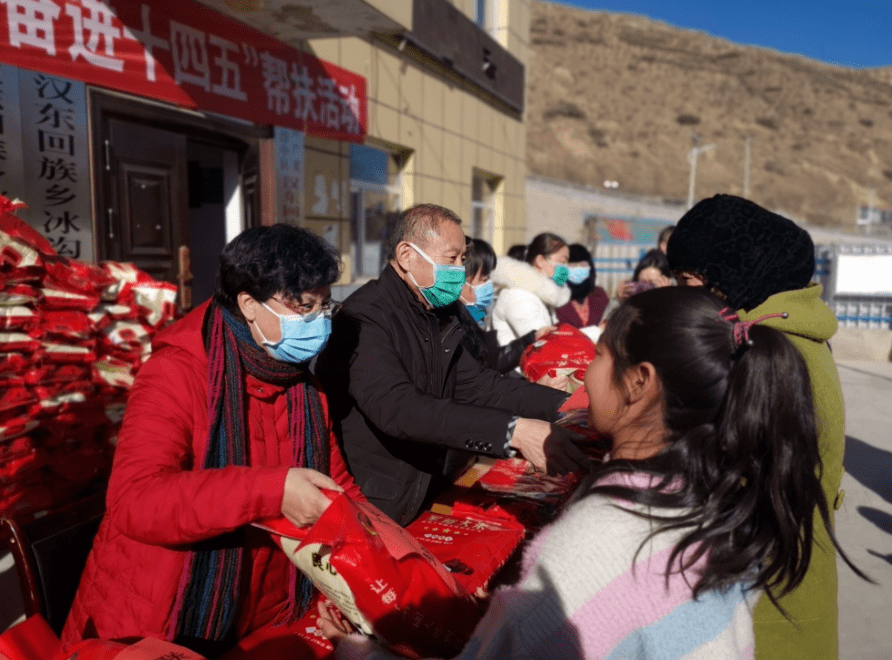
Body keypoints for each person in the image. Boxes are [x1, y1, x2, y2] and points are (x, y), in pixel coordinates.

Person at [318, 286, 865, 660]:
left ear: (639, 382)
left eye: (599, 356)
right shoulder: (716, 495)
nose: (584, 371)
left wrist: (365, 655)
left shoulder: (600, 543)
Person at [62, 225, 363, 656]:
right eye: (303, 307)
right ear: (249, 304)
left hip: (267, 612)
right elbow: (135, 500)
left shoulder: (303, 387)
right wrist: (271, 491)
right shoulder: (176, 373)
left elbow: (339, 489)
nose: (317, 322)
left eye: (323, 307)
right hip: (161, 622)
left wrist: (384, 554)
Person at [316, 205, 588, 526]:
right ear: (406, 254)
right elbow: (398, 408)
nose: (460, 269)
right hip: (378, 503)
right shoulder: (365, 316)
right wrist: (513, 432)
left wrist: (572, 406)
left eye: (462, 259)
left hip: (433, 486)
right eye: (452, 258)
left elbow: (480, 385)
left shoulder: (439, 310)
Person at [666, 194, 846, 660]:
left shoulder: (767, 351)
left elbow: (727, 483)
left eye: (688, 280)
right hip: (778, 589)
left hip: (763, 612)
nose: (684, 294)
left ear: (730, 275)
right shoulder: (788, 334)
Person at [457, 237, 554, 374]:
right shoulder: (450, 324)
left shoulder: (477, 316)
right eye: (483, 280)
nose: (488, 285)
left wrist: (531, 338)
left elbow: (491, 362)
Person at [490, 233, 571, 346]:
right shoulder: (518, 295)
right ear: (540, 261)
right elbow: (544, 342)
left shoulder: (539, 295)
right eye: (562, 261)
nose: (566, 267)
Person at [555, 243, 609, 329]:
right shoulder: (556, 298)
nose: (577, 268)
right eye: (572, 265)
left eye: (582, 265)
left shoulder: (599, 294)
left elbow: (609, 323)